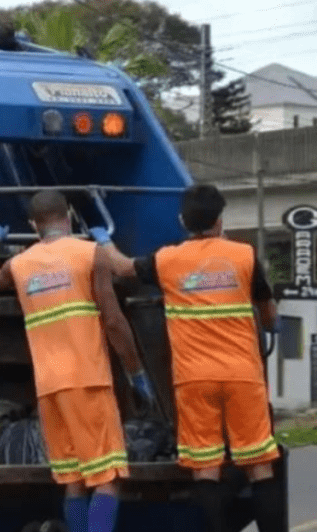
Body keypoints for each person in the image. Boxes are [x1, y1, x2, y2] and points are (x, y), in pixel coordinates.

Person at [93, 184, 282, 532]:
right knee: (259, 464)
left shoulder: (166, 260)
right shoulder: (244, 255)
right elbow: (267, 309)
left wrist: (102, 238)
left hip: (194, 379)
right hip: (243, 375)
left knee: (205, 466)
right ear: (220, 220)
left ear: (182, 221)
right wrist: (271, 325)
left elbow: (121, 267)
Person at [0, 190, 157, 532]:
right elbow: (114, 321)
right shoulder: (89, 254)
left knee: (73, 480)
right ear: (70, 217)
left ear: (34, 225)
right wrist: (135, 372)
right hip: (88, 381)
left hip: (49, 388)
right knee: (107, 477)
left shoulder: (20, 264)